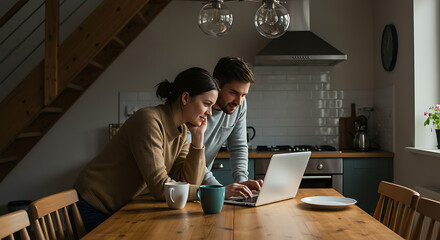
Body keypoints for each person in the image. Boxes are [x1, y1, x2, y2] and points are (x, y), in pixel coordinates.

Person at [73, 67, 219, 232]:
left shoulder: (182, 131)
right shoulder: (149, 120)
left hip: (120, 207)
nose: (209, 113)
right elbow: (160, 186)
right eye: (207, 104)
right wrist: (208, 193)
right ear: (186, 98)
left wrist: (198, 140)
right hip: (93, 204)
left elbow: (189, 182)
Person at [203, 57, 263, 199]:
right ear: (217, 84)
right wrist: (219, 191)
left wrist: (242, 182)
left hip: (201, 186)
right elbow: (187, 155)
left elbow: (238, 146)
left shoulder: (240, 104)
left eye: (244, 95)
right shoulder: (197, 105)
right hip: (177, 185)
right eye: (234, 93)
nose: (239, 101)